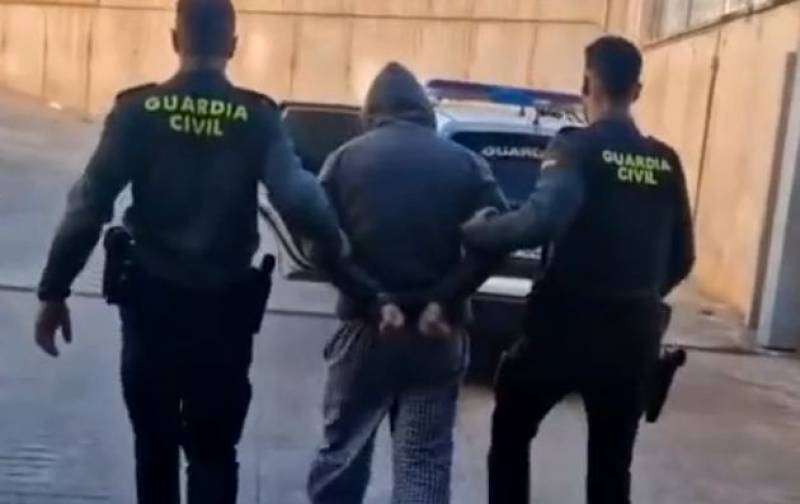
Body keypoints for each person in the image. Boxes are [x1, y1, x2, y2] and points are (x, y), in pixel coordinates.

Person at [33, 1, 345, 502]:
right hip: (224, 314)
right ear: (233, 46)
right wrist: (337, 250)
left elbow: (88, 204)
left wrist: (54, 291)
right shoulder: (257, 116)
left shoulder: (138, 111)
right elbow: (297, 197)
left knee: (154, 448)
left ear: (175, 40)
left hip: (151, 308)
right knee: (214, 452)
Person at [462, 36, 695, 504]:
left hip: (563, 330)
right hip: (632, 338)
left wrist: (479, 230)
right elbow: (683, 257)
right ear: (637, 90)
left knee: (510, 435)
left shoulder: (576, 148)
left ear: (587, 83)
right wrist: (637, 293)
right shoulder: (665, 161)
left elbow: (539, 221)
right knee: (611, 466)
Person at [307, 62, 509, 504]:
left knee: (343, 454)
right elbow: (499, 239)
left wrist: (374, 300)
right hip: (438, 335)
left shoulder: (344, 161)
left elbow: (318, 246)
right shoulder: (466, 164)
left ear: (371, 112)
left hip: (366, 332)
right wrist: (444, 298)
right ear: (424, 110)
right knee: (423, 460)